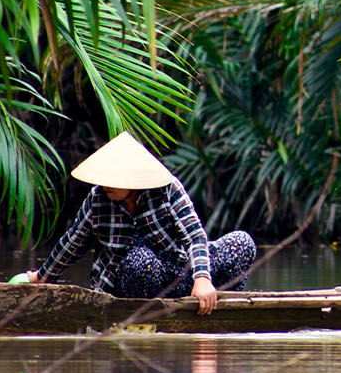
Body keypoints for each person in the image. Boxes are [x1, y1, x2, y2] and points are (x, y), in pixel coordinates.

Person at [18, 132, 256, 314]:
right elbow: (73, 243)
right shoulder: (99, 199)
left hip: (176, 275)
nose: (107, 184)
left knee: (241, 243)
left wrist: (202, 278)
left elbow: (194, 235)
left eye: (114, 179)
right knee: (140, 262)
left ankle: (211, 306)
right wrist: (42, 277)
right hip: (130, 283)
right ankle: (145, 318)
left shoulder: (167, 190)